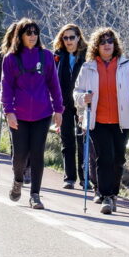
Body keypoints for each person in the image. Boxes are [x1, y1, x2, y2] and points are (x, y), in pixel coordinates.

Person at [76, 28, 129, 215]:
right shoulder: (88, 67)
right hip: (97, 121)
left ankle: (114, 194)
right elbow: (77, 92)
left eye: (110, 41)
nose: (107, 45)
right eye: (102, 42)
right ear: (96, 46)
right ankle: (106, 196)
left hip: (121, 121)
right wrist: (82, 98)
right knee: (104, 158)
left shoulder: (126, 66)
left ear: (115, 45)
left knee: (118, 159)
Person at [1, 18, 64, 210]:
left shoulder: (46, 56)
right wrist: (8, 111)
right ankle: (18, 180)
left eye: (35, 32)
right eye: (28, 33)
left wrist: (58, 109)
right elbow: (6, 86)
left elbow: (54, 84)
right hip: (18, 114)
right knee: (20, 154)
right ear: (20, 35)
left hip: (42, 114)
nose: (33, 36)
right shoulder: (10, 58)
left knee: (37, 154)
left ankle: (35, 195)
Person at [53, 24, 89, 189]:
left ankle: (85, 177)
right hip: (64, 103)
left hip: (81, 103)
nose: (68, 41)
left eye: (72, 37)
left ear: (78, 37)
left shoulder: (88, 55)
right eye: (65, 37)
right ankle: (69, 178)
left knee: (83, 140)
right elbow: (52, 80)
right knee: (66, 140)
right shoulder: (58, 56)